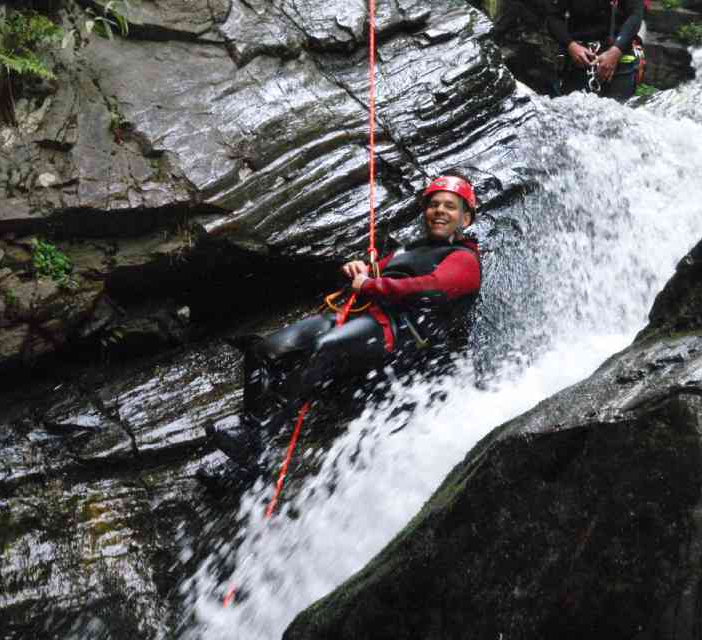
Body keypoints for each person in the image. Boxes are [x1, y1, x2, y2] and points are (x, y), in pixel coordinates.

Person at [204, 175, 482, 475]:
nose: (440, 210)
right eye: (434, 205)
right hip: (356, 315)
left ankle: (256, 435)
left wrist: (372, 285)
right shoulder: (408, 251)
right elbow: (369, 278)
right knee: (265, 350)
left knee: (323, 350)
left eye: (450, 207)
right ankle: (252, 448)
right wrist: (357, 270)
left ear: (465, 217)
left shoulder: (464, 259)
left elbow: (433, 287)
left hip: (394, 331)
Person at [547, 0, 644, 101]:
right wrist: (570, 45)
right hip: (579, 60)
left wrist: (616, 50)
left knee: (619, 111)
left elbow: (635, 15)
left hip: (619, 59)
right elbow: (553, 17)